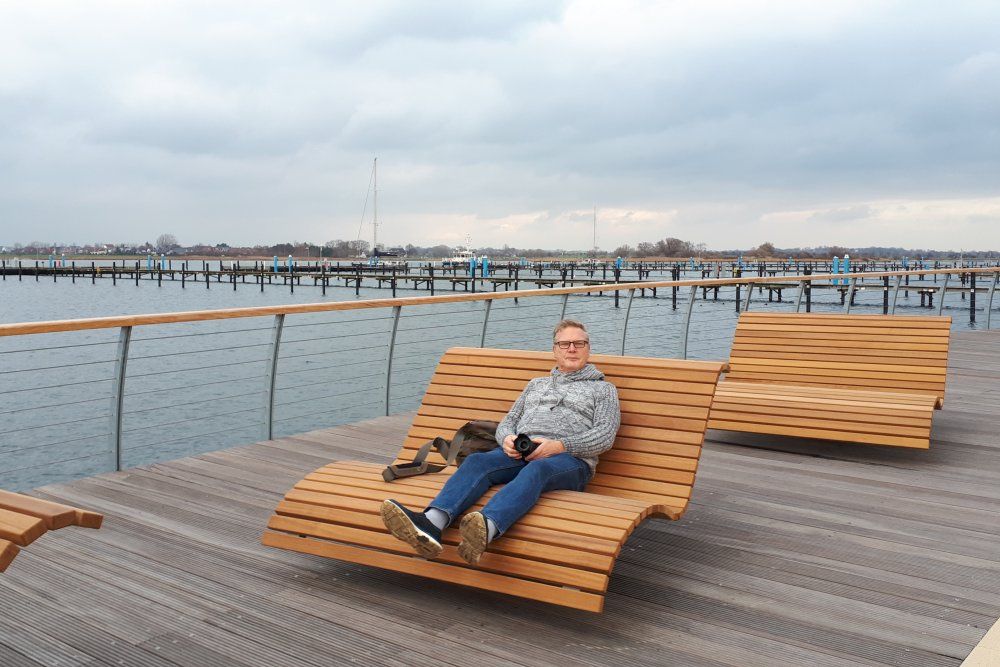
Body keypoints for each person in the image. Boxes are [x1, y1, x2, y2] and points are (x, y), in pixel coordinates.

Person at [380, 319, 621, 566]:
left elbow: (604, 435)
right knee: (477, 462)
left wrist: (560, 446)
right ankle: (431, 524)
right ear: (554, 350)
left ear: (588, 348)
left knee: (539, 469)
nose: (572, 349)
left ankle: (486, 528)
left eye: (578, 343)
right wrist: (506, 438)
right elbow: (509, 421)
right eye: (565, 344)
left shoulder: (603, 390)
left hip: (569, 461)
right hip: (522, 452)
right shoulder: (536, 384)